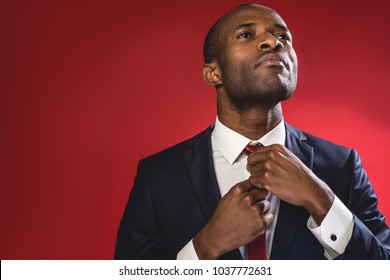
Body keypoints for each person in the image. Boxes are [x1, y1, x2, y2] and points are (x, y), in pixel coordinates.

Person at [114, 3, 390, 260]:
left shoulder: (343, 166)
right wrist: (206, 246)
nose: (274, 42)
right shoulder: (158, 175)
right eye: (246, 34)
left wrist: (322, 201)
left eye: (283, 36)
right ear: (214, 73)